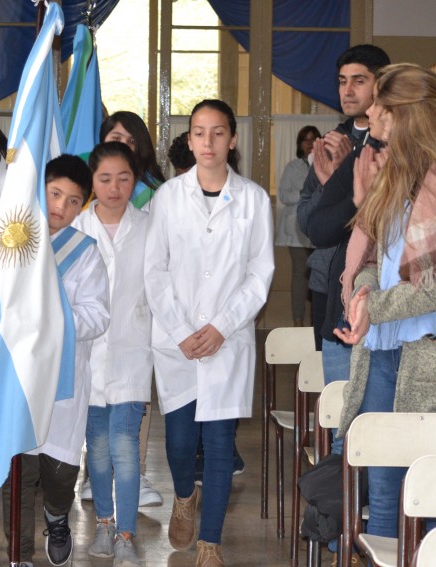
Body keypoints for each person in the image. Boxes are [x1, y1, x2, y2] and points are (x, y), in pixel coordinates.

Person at [333, 63, 436, 542]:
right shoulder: (397, 176)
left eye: (384, 112)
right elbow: (375, 259)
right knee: (384, 490)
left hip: (434, 359)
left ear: (414, 117)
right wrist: (365, 291)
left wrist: (377, 304)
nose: (374, 119)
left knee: (435, 494)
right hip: (382, 354)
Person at [144, 99, 274, 566]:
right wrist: (182, 331)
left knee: (219, 443)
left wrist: (221, 326)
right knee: (179, 444)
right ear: (189, 139)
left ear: (232, 139)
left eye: (218, 133)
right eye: (200, 132)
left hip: (228, 340)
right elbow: (154, 270)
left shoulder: (254, 199)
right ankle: (184, 496)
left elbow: (260, 273)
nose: (208, 142)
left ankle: (210, 544)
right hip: (177, 344)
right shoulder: (168, 197)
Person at [0, 154, 108, 567]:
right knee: (20, 470)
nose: (61, 207)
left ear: (83, 205)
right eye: (55, 194)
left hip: (62, 383)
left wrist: (54, 315)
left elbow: (98, 314)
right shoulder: (9, 239)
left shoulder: (85, 252)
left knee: (58, 474)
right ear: (40, 190)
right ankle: (21, 554)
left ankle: (57, 516)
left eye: (73, 201)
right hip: (16, 379)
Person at [298, 45, 390, 459]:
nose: (348, 90)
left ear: (382, 84)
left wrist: (347, 184)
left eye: (359, 80)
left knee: (381, 424)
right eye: (342, 81)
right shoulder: (330, 142)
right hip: (331, 288)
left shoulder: (396, 146)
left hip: (386, 296)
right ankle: (342, 512)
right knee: (340, 417)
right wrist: (330, 184)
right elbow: (311, 223)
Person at [73, 142, 150, 567]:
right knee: (97, 447)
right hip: (87, 356)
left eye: (124, 178)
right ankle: (103, 524)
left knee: (124, 445)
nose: (115, 187)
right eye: (105, 179)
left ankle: (126, 533)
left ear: (135, 179)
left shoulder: (149, 227)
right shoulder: (77, 229)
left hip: (133, 353)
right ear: (92, 182)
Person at [276, 125, 320, 327]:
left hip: (320, 231)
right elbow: (284, 195)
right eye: (306, 139)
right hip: (296, 231)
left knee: (318, 279)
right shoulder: (292, 167)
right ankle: (298, 322)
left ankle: (314, 325)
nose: (310, 144)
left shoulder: (326, 165)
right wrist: (305, 194)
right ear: (299, 144)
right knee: (299, 276)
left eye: (314, 139)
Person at [99, 111, 165, 209]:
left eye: (131, 141)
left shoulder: (155, 192)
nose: (124, 146)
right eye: (116, 138)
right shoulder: (89, 183)